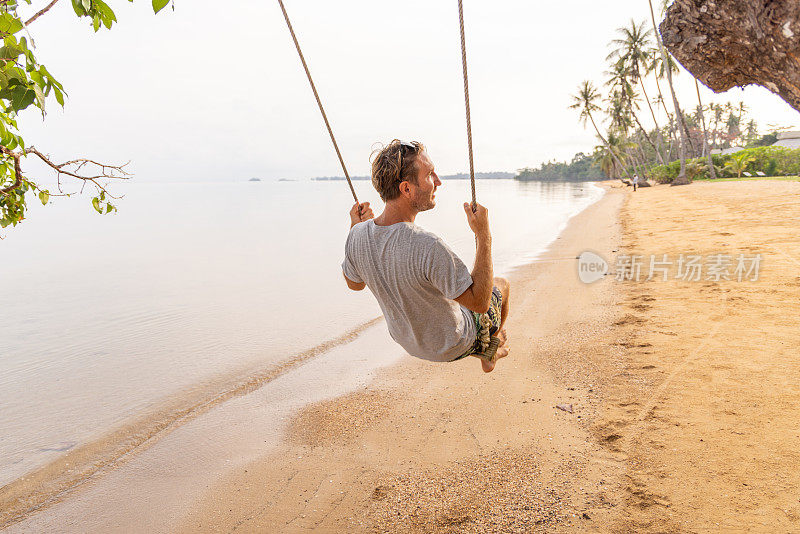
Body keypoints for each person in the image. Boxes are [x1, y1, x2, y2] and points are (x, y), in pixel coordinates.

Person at [341, 140, 510, 373]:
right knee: (502, 285)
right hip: (453, 344)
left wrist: (354, 227)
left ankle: (487, 343)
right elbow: (480, 303)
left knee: (450, 294)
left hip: (406, 342)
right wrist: (484, 235)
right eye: (430, 175)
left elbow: (354, 284)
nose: (438, 182)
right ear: (406, 189)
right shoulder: (428, 246)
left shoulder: (357, 234)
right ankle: (488, 350)